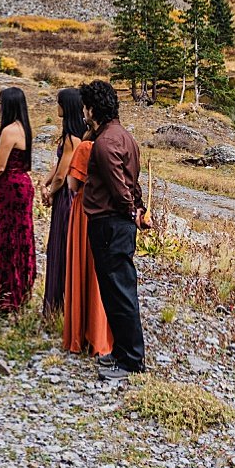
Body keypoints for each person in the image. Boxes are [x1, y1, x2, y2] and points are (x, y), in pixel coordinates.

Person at [81, 79, 149, 380]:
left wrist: (131, 210)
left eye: (85, 107)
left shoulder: (105, 144)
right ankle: (122, 352)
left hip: (110, 224)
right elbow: (132, 185)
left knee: (119, 292)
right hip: (117, 223)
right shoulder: (124, 136)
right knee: (115, 291)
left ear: (93, 109)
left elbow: (121, 189)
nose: (83, 112)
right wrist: (138, 207)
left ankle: (132, 360)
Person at [58, 102, 113, 360]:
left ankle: (80, 333)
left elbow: (71, 184)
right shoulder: (113, 144)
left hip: (83, 212)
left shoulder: (85, 147)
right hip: (107, 212)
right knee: (100, 275)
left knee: (82, 269)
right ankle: (102, 334)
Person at [0, 85, 36, 313]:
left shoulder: (9, 131)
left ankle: (8, 291)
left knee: (9, 237)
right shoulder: (25, 128)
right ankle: (21, 286)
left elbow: (0, 165)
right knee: (22, 235)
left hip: (11, 187)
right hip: (23, 184)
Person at [38, 87, 87, 320]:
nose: (56, 106)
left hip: (65, 195)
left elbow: (62, 173)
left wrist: (50, 191)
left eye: (58, 102)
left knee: (59, 246)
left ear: (65, 107)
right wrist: (45, 181)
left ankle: (55, 306)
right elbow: (58, 165)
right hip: (70, 194)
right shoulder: (81, 134)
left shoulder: (70, 138)